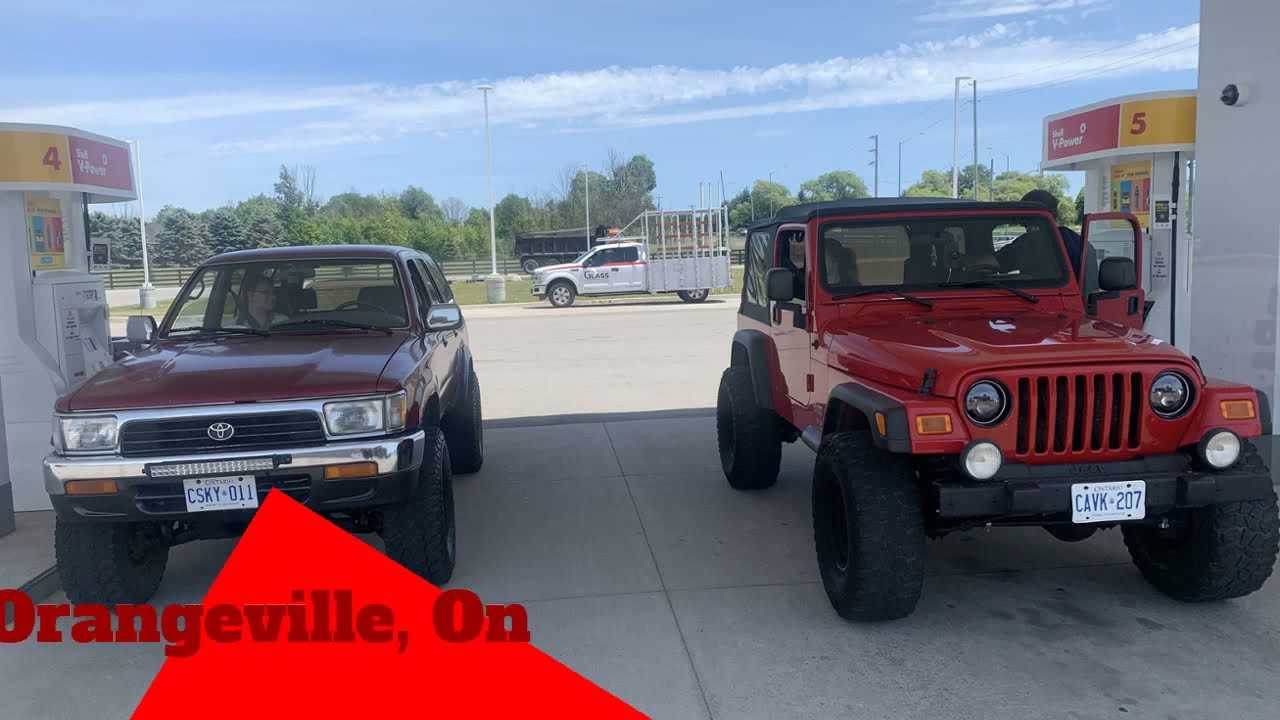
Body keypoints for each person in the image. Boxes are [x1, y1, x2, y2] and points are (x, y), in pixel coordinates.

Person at [1020, 189, 1098, 294]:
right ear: (1055, 213)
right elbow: (1090, 288)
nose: (1023, 223)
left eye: (1023, 218)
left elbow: (994, 262)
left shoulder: (1027, 242)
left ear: (1029, 217)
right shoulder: (1079, 242)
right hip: (1076, 303)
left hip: (1033, 301)